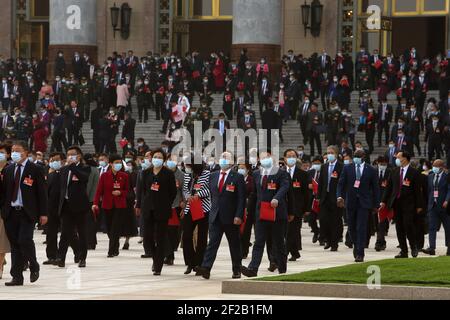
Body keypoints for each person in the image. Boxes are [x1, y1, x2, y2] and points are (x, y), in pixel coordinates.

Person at [0, 140, 48, 286]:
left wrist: (43, 213)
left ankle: (34, 265)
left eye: (18, 150)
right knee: (15, 245)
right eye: (13, 150)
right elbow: (4, 193)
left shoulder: (35, 169)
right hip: (10, 212)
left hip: (27, 212)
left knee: (24, 240)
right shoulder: (8, 169)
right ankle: (17, 276)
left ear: (26, 152)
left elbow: (42, 193)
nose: (14, 153)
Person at [196, 152, 246, 280]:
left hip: (231, 217)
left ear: (232, 162)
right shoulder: (213, 176)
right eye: (222, 157)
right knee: (212, 243)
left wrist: (239, 215)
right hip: (215, 216)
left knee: (234, 244)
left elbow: (241, 199)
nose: (223, 159)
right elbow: (210, 194)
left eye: (227, 158)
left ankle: (236, 269)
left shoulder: (238, 177)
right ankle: (206, 268)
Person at [242, 151, 291, 277]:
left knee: (279, 242)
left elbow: (285, 187)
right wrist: (248, 208)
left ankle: (282, 268)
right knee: (258, 241)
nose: (265, 159)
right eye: (262, 158)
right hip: (261, 214)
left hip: (277, 213)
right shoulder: (257, 174)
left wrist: (277, 198)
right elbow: (255, 194)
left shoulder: (281, 173)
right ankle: (253, 269)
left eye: (267, 157)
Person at [135, 149, 177, 276]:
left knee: (160, 237)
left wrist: (165, 202)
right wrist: (139, 205)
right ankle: (155, 258)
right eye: (155, 156)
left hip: (162, 210)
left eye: (159, 157)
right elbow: (141, 190)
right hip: (148, 208)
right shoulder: (145, 173)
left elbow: (173, 192)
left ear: (163, 160)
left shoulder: (168, 174)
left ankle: (158, 265)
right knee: (147, 238)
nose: (157, 159)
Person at [337, 149, 380, 262]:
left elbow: (376, 188)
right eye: (355, 156)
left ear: (363, 157)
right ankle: (356, 246)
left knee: (361, 227)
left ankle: (360, 253)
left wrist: (376, 204)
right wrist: (339, 196)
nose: (356, 157)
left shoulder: (371, 170)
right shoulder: (347, 168)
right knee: (351, 227)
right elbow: (341, 184)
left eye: (358, 156)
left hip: (364, 203)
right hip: (350, 202)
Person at [380, 151, 425, 258]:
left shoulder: (414, 172)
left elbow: (418, 191)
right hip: (396, 203)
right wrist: (383, 201)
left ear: (405, 158)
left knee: (408, 225)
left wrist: (419, 206)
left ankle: (413, 247)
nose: (396, 158)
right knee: (399, 227)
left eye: (399, 157)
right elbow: (388, 188)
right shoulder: (394, 171)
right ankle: (403, 251)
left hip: (409, 204)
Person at [57, 146, 91, 268]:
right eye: (68, 154)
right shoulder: (64, 169)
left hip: (80, 206)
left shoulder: (85, 168)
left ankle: (82, 258)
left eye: (73, 154)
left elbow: (84, 178)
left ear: (79, 156)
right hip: (66, 206)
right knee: (65, 233)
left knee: (82, 233)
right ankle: (61, 257)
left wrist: (72, 166)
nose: (70, 157)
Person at [44, 152, 80, 265]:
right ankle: (51, 256)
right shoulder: (50, 175)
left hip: (64, 207)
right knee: (51, 232)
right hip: (51, 208)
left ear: (63, 161)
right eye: (52, 160)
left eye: (56, 160)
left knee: (68, 232)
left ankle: (78, 252)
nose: (54, 162)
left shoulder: (66, 174)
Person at [93, 154, 129, 257]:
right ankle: (115, 245)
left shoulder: (124, 176)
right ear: (110, 164)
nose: (118, 164)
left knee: (115, 227)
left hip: (120, 205)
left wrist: (121, 193)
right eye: (116, 163)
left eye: (120, 163)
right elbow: (99, 191)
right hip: (107, 204)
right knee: (109, 228)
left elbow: (128, 191)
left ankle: (111, 250)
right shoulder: (104, 176)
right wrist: (95, 203)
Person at [181, 155, 211, 275]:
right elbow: (185, 189)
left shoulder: (207, 174)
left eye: (188, 165)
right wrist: (188, 196)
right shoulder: (188, 175)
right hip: (191, 207)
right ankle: (190, 262)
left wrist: (199, 195)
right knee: (186, 235)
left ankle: (199, 263)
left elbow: (209, 189)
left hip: (203, 208)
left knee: (202, 238)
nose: (186, 167)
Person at [284, 149, 310, 262]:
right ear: (284, 159)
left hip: (297, 208)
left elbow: (307, 193)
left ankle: (283, 254)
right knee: (286, 231)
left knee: (292, 231)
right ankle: (295, 252)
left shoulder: (303, 174)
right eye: (289, 156)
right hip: (283, 207)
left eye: (293, 156)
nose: (291, 158)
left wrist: (307, 208)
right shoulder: (280, 173)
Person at [317, 146, 344, 251]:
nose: (329, 155)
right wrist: (318, 196)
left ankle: (334, 243)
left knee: (335, 221)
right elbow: (321, 183)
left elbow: (343, 183)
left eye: (331, 152)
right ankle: (327, 239)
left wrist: (341, 197)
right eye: (328, 152)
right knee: (324, 220)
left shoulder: (341, 167)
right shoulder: (324, 166)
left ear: (336, 154)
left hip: (336, 198)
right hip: (325, 197)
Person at [422, 159, 450, 256]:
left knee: (448, 227)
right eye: (433, 165)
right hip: (432, 206)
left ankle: (449, 246)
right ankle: (431, 248)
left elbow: (449, 190)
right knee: (432, 227)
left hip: (444, 207)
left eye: (436, 166)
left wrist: (447, 200)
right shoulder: (430, 176)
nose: (434, 168)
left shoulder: (447, 177)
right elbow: (429, 191)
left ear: (441, 167)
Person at [0, 144, 11, 279]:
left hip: (3, 209)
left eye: (2, 152)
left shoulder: (10, 169)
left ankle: (0, 266)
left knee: (1, 240)